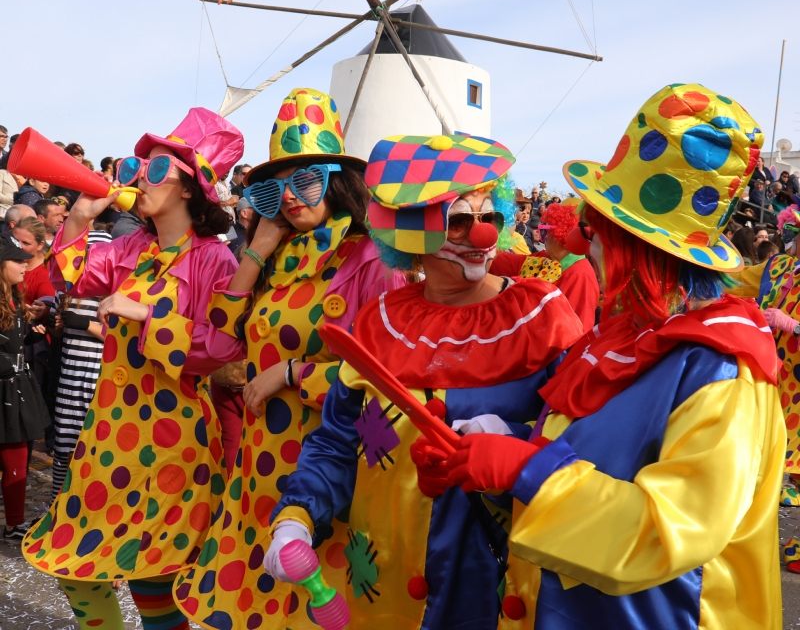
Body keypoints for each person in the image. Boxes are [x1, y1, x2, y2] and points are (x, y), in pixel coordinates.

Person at [437, 84, 783, 628]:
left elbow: (667, 530)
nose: (582, 241)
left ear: (636, 245)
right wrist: (496, 453)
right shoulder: (620, 336)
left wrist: (526, 470)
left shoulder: (721, 367)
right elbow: (580, 461)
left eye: (596, 228)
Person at [261, 132, 583, 630]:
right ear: (410, 231)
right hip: (387, 587)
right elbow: (341, 439)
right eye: (459, 220)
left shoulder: (539, 315)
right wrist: (297, 515)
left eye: (489, 217)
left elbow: (583, 445)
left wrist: (513, 446)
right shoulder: (379, 320)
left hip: (495, 586)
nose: (481, 236)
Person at [173, 88, 407, 630]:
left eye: (307, 181)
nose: (293, 197)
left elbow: (387, 378)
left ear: (339, 183)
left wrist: (294, 373)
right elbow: (220, 333)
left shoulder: (371, 258)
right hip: (258, 466)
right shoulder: (275, 255)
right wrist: (259, 244)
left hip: (324, 470)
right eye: (277, 188)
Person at [22, 107, 244, 630]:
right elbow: (69, 277)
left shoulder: (215, 260)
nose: (143, 178)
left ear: (192, 188)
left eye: (160, 169)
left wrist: (147, 315)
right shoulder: (129, 248)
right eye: (137, 167)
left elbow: (225, 346)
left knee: (153, 579)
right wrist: (80, 215)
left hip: (173, 439)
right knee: (74, 564)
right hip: (108, 433)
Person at [728, 206, 800, 513]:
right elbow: (737, 280)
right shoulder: (781, 265)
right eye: (791, 233)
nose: (791, 241)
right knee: (763, 449)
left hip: (797, 390)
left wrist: (792, 325)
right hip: (770, 375)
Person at [49, 226, 112, 499]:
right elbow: (58, 332)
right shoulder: (65, 288)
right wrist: (54, 324)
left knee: (94, 448)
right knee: (64, 447)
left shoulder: (114, 292)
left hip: (99, 377)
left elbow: (122, 338)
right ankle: (56, 510)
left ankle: (86, 511)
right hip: (69, 376)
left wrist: (87, 324)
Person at [0, 234, 50, 542]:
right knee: (13, 456)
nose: (24, 264)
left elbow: (14, 339)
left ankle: (13, 523)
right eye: (17, 260)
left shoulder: (15, 296)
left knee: (20, 454)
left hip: (18, 387)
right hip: (4, 388)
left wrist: (33, 335)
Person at [492, 202, 600, 332]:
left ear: (562, 236)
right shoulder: (546, 258)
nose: (544, 240)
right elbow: (507, 263)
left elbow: (577, 330)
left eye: (546, 232)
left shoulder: (581, 276)